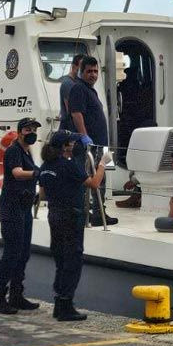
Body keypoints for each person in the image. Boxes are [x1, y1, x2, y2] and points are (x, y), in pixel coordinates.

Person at [39, 130, 108, 321]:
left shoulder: (46, 166)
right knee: (73, 260)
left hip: (54, 215)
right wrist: (102, 164)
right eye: (71, 143)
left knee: (61, 260)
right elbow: (94, 183)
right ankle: (65, 305)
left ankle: (59, 303)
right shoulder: (68, 166)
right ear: (65, 146)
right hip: (71, 216)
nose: (74, 145)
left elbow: (43, 194)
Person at [0, 117, 42, 315]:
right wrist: (37, 173)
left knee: (23, 252)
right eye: (28, 129)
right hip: (11, 207)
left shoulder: (27, 152)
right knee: (11, 253)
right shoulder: (13, 151)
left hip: (24, 207)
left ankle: (17, 295)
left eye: (34, 129)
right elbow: (17, 173)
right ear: (20, 132)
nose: (31, 133)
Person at [67, 56, 117, 226]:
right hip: (89, 145)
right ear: (81, 72)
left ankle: (98, 212)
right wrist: (84, 136)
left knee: (101, 179)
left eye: (95, 71)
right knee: (88, 178)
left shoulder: (91, 90)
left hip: (100, 144)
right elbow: (76, 113)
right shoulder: (78, 89)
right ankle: (83, 212)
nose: (93, 75)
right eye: (89, 71)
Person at [58, 53, 84, 130]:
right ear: (73, 66)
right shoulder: (68, 83)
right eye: (81, 67)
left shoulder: (77, 83)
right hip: (70, 127)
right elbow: (71, 110)